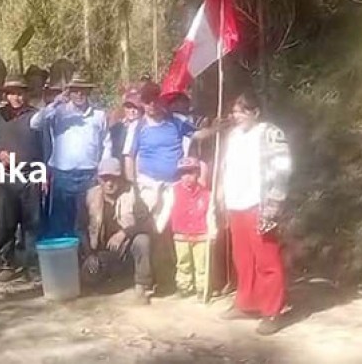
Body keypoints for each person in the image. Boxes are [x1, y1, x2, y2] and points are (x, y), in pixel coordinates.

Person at [125, 81, 210, 293]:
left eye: (154, 100)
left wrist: (218, 127)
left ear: (161, 99)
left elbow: (199, 135)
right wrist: (134, 189)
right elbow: (129, 157)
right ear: (142, 103)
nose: (151, 105)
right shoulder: (137, 126)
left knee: (176, 232)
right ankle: (144, 281)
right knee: (149, 233)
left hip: (175, 186)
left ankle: (175, 279)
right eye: (146, 101)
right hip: (147, 187)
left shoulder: (176, 121)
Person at [218, 92, 292, 336]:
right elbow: (226, 167)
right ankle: (246, 303)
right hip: (236, 203)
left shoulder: (271, 133)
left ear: (255, 112)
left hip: (259, 204)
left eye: (241, 111)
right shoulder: (233, 136)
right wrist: (221, 192)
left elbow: (282, 170)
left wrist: (274, 203)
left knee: (267, 259)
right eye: (234, 111)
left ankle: (272, 311)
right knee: (243, 257)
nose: (235, 116)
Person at [30, 72, 110, 240]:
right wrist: (54, 103)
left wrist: (103, 172)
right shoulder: (57, 112)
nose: (79, 94)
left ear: (89, 92)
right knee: (61, 223)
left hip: (90, 176)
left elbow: (106, 144)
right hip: (62, 175)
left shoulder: (99, 116)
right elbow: (34, 123)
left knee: (90, 224)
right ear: (69, 92)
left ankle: (88, 261)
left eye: (83, 90)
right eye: (75, 90)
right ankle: (64, 261)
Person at [0, 74, 43, 282]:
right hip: (5, 175)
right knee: (6, 221)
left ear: (26, 95)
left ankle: (33, 266)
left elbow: (45, 145)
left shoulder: (36, 116)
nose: (16, 97)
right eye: (12, 93)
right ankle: (6, 263)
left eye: (20, 93)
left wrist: (43, 172)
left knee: (32, 223)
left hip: (30, 174)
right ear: (6, 95)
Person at [84, 158, 153, 304]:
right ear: (98, 179)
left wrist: (124, 233)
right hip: (101, 253)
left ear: (120, 178)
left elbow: (147, 223)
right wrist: (89, 254)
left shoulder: (132, 194)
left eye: (113, 178)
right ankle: (109, 281)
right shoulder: (89, 196)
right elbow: (79, 228)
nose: (109, 183)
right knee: (89, 276)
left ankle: (141, 286)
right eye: (105, 178)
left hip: (126, 251)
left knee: (142, 240)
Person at [170, 157, 210, 299]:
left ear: (197, 173)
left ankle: (202, 288)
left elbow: (211, 213)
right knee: (183, 262)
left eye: (190, 173)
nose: (187, 177)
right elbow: (166, 209)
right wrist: (159, 225)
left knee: (202, 263)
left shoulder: (205, 193)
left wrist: (214, 230)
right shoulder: (173, 190)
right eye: (183, 173)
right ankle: (184, 287)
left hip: (201, 234)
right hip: (181, 234)